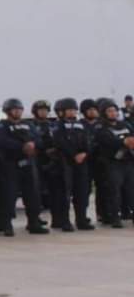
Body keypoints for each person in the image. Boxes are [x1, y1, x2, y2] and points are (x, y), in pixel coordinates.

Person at [0, 99, 48, 236]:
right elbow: (2, 141)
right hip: (11, 164)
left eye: (19, 109)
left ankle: (34, 223)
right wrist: (22, 146)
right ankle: (7, 225)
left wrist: (33, 145)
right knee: (9, 195)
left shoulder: (28, 124)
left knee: (33, 194)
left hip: (29, 164)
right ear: (7, 111)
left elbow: (38, 139)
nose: (17, 111)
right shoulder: (2, 125)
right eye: (14, 109)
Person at [52, 98, 94, 231]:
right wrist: (73, 155)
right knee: (64, 194)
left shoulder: (81, 124)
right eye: (69, 110)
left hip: (81, 162)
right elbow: (60, 142)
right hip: (64, 163)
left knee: (82, 192)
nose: (72, 112)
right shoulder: (57, 126)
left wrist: (85, 153)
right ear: (61, 112)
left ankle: (81, 220)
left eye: (74, 110)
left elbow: (89, 140)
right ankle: (64, 221)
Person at [95, 99, 134, 228]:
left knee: (131, 189)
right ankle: (114, 217)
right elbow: (106, 140)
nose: (113, 113)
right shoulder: (101, 127)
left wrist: (129, 142)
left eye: (114, 110)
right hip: (112, 163)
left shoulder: (125, 125)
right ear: (104, 113)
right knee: (114, 191)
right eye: (109, 111)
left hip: (128, 162)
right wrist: (123, 142)